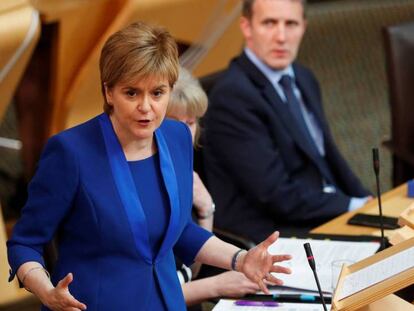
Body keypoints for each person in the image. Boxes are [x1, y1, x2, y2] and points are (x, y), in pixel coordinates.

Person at [7, 22, 292, 311]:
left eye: (157, 93)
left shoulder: (178, 137)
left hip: (168, 303)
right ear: (109, 92)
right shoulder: (71, 152)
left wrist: (241, 259)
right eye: (131, 93)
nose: (146, 106)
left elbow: (179, 230)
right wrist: (46, 293)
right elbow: (25, 243)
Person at [203, 0, 371, 243]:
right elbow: (275, 195)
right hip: (274, 234)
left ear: (303, 27)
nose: (281, 37)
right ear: (246, 27)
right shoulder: (232, 97)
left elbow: (328, 156)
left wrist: (368, 201)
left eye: (290, 24)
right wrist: (351, 205)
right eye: (269, 23)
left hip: (319, 210)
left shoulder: (303, 77)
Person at [167, 68, 259, 306]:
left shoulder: (183, 174)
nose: (185, 133)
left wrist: (206, 210)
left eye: (190, 122)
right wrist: (216, 285)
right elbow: (146, 299)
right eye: (175, 123)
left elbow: (190, 271)